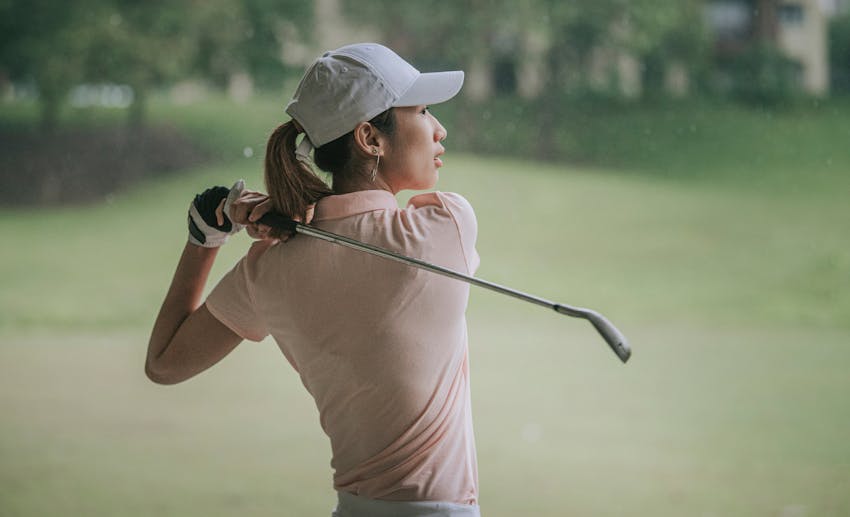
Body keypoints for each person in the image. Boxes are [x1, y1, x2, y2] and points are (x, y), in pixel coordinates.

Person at [145, 43, 481, 517]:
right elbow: (365, 226)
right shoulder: (445, 226)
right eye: (423, 111)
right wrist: (291, 212)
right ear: (370, 138)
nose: (439, 128)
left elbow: (164, 363)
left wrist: (207, 234)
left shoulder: (269, 264)